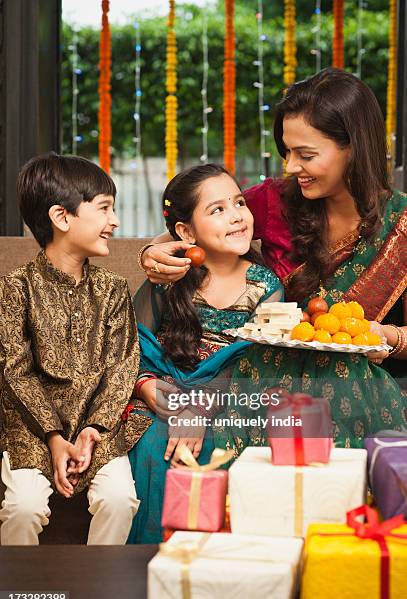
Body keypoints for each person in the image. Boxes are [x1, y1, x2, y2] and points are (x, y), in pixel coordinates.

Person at [138, 68, 406, 450]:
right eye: (287, 151)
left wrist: (385, 336)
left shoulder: (401, 226)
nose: (291, 167)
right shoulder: (273, 199)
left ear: (354, 149)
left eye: (306, 154)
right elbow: (199, 224)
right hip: (262, 372)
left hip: (353, 380)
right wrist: (152, 251)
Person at [127, 163, 283, 543]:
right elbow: (135, 349)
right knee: (155, 440)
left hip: (231, 398)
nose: (236, 217)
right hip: (166, 394)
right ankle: (151, 563)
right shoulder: (167, 281)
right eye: (217, 210)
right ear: (185, 231)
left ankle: (211, 567)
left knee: (214, 442)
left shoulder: (265, 286)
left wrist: (198, 407)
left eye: (239, 203)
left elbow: (257, 364)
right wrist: (151, 389)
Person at [0, 153, 151, 545]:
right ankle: (21, 598)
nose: (113, 221)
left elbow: (122, 366)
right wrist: (53, 437)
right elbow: (15, 372)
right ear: (62, 218)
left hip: (95, 427)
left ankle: (98, 595)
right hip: (32, 430)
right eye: (104, 208)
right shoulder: (15, 289)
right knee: (24, 507)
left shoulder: (113, 289)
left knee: (120, 499)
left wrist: (92, 430)